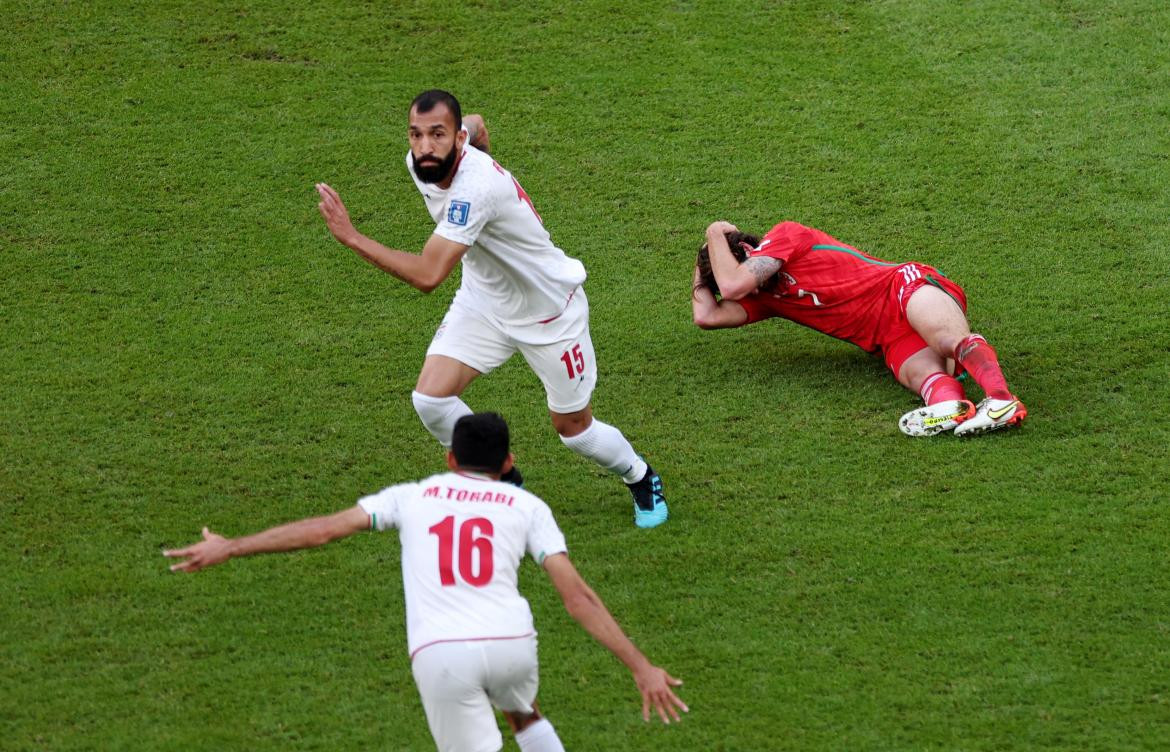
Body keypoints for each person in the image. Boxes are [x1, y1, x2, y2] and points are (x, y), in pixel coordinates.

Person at [164, 412, 687, 752]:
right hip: (512, 645)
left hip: (442, 655)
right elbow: (578, 598)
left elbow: (322, 532)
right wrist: (641, 666)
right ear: (508, 463)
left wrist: (231, 545)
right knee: (523, 714)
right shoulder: (527, 505)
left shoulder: (411, 497)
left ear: (450, 459)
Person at [314, 89, 666, 528]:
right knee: (430, 398)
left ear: (456, 139)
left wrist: (352, 236)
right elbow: (477, 122)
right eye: (416, 134)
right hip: (484, 300)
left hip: (549, 313)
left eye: (438, 135)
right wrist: (474, 136)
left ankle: (641, 476)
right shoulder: (424, 162)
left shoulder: (475, 189)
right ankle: (503, 477)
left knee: (573, 429)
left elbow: (428, 275)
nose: (425, 146)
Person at [691, 220, 1027, 436]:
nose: (743, 292)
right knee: (923, 377)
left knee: (945, 340)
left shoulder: (785, 235)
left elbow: (734, 286)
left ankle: (1001, 400)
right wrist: (703, 261)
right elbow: (706, 316)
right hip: (887, 336)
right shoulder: (766, 299)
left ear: (749, 253)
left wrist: (713, 232)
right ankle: (952, 410)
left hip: (901, 287)